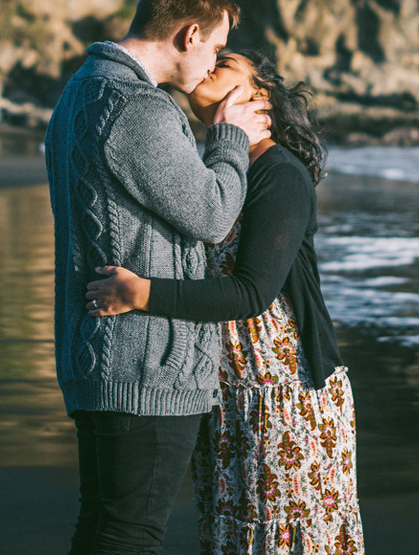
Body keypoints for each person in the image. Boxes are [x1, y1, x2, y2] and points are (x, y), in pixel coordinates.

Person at [85, 50, 364, 555]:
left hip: (285, 392)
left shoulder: (279, 171)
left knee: (280, 542)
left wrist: (139, 293)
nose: (209, 65)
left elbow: (253, 293)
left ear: (260, 95)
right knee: (235, 538)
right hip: (229, 392)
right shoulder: (219, 169)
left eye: (226, 62)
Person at [46, 0, 273, 555]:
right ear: (189, 33)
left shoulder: (80, 90)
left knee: (102, 531)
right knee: (130, 538)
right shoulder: (138, 108)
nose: (213, 63)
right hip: (145, 363)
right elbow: (212, 215)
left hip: (98, 356)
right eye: (216, 48)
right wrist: (227, 137)